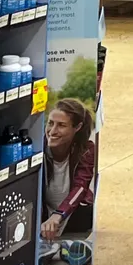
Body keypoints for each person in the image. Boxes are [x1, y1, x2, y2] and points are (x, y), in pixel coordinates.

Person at [41, 98, 96, 241]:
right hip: (42, 218)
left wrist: (59, 214)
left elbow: (81, 186)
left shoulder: (87, 150)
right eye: (50, 123)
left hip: (75, 218)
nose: (52, 131)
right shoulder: (38, 147)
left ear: (77, 127)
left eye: (61, 125)